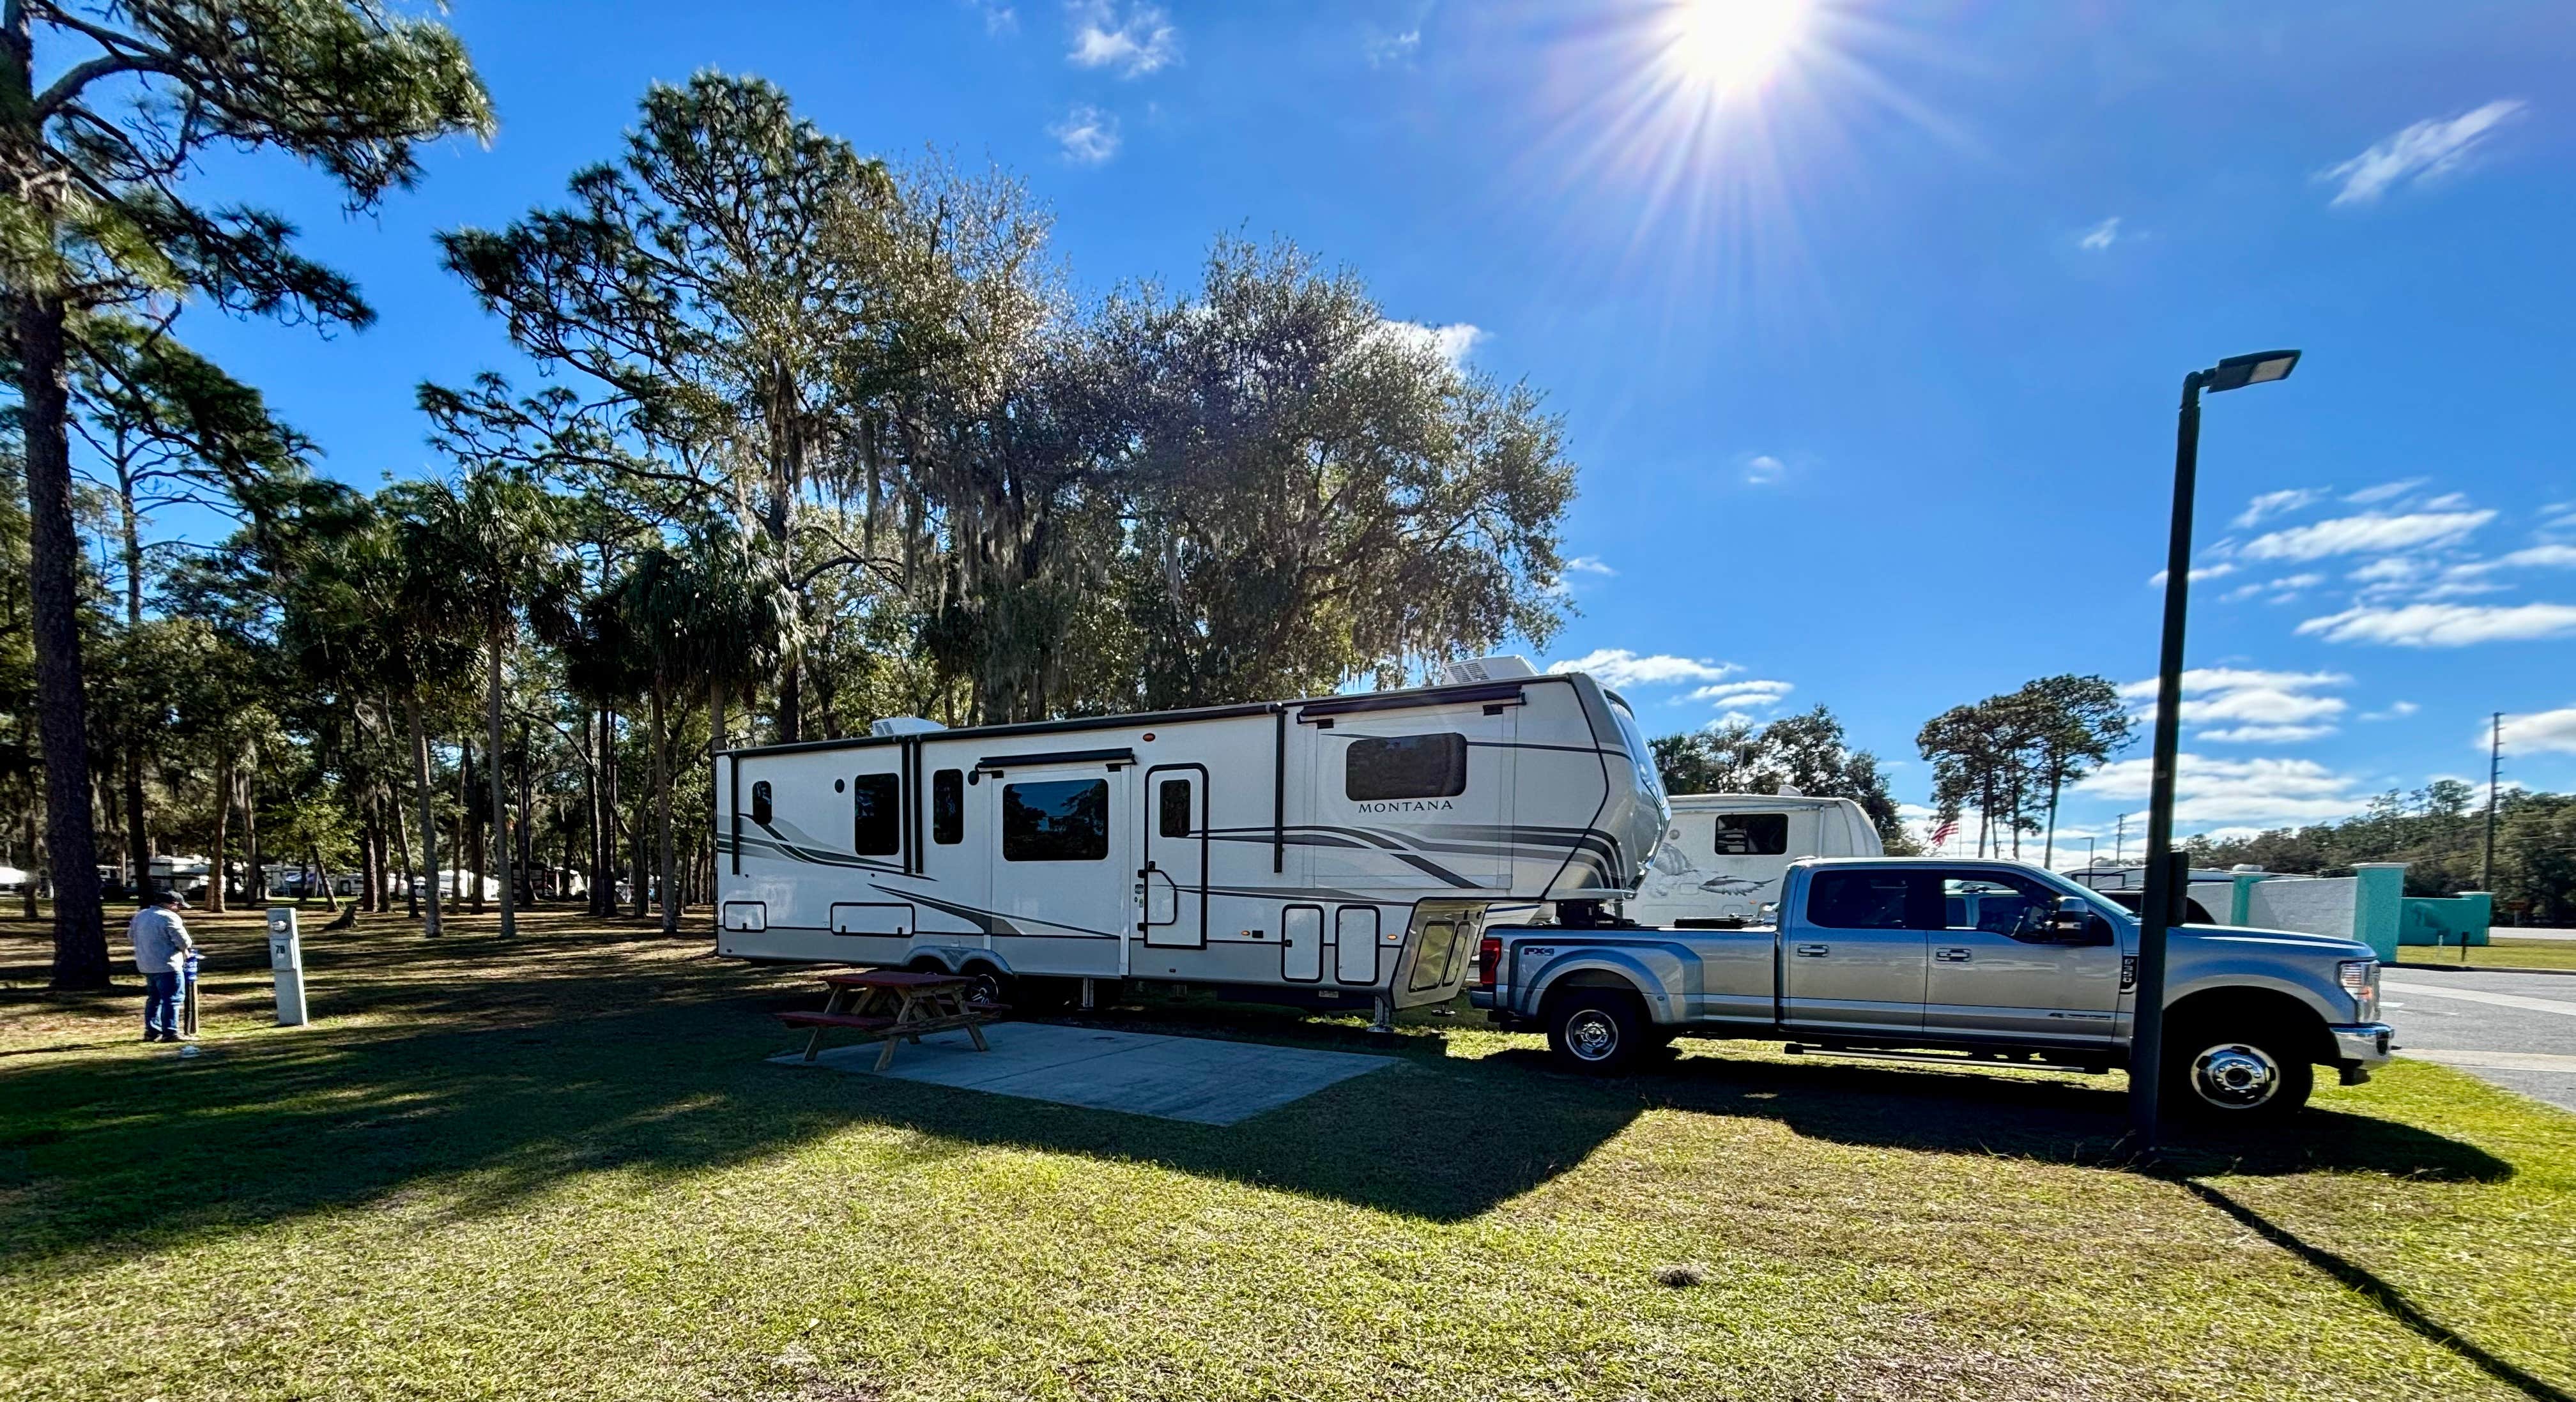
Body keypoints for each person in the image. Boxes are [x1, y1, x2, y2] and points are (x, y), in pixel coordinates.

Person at [128, 888, 197, 1043]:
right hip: (168, 964)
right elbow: (184, 942)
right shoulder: (169, 917)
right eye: (179, 906)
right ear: (172, 904)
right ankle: (170, 1032)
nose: (180, 910)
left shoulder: (140, 915)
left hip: (146, 964)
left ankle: (152, 1031)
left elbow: (131, 936)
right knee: (172, 998)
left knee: (154, 999)